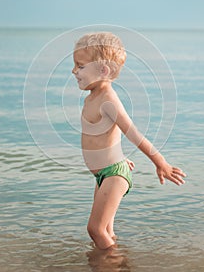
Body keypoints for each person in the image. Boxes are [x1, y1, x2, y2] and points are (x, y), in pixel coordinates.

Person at [72, 32, 186, 250]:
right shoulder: (92, 97)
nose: (74, 71)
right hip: (104, 174)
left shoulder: (108, 100)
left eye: (80, 66)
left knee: (95, 230)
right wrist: (119, 155)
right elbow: (105, 133)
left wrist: (160, 162)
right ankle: (113, 263)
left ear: (103, 70)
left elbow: (132, 132)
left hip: (114, 175)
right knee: (106, 231)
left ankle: (113, 263)